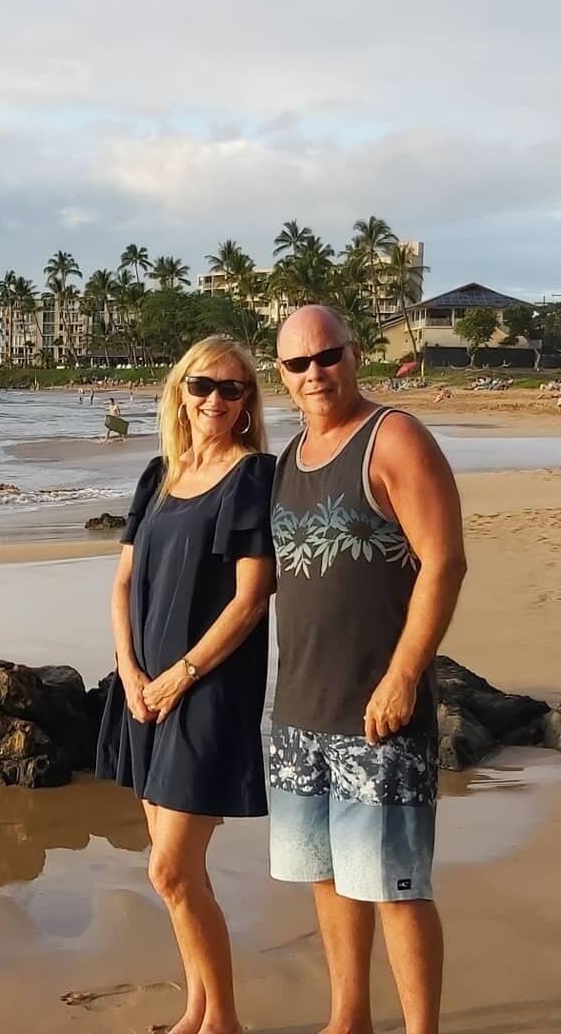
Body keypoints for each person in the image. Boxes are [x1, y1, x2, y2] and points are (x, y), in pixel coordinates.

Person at [269, 306, 466, 1034]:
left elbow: (444, 562)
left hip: (378, 713)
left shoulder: (395, 437)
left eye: (328, 356)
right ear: (281, 376)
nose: (315, 373)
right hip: (298, 711)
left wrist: (405, 674)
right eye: (298, 364)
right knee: (327, 875)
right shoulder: (289, 459)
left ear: (355, 355)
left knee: (396, 886)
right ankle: (347, 1018)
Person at [96, 336, 276, 1034]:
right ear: (181, 390)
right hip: (143, 691)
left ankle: (224, 1021)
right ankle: (197, 1011)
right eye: (202, 386)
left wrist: (179, 677)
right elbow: (120, 584)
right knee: (180, 876)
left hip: (208, 694)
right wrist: (133, 675)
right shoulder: (158, 475)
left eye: (232, 391)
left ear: (246, 404)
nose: (214, 401)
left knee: (171, 871)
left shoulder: (252, 476)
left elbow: (251, 598)